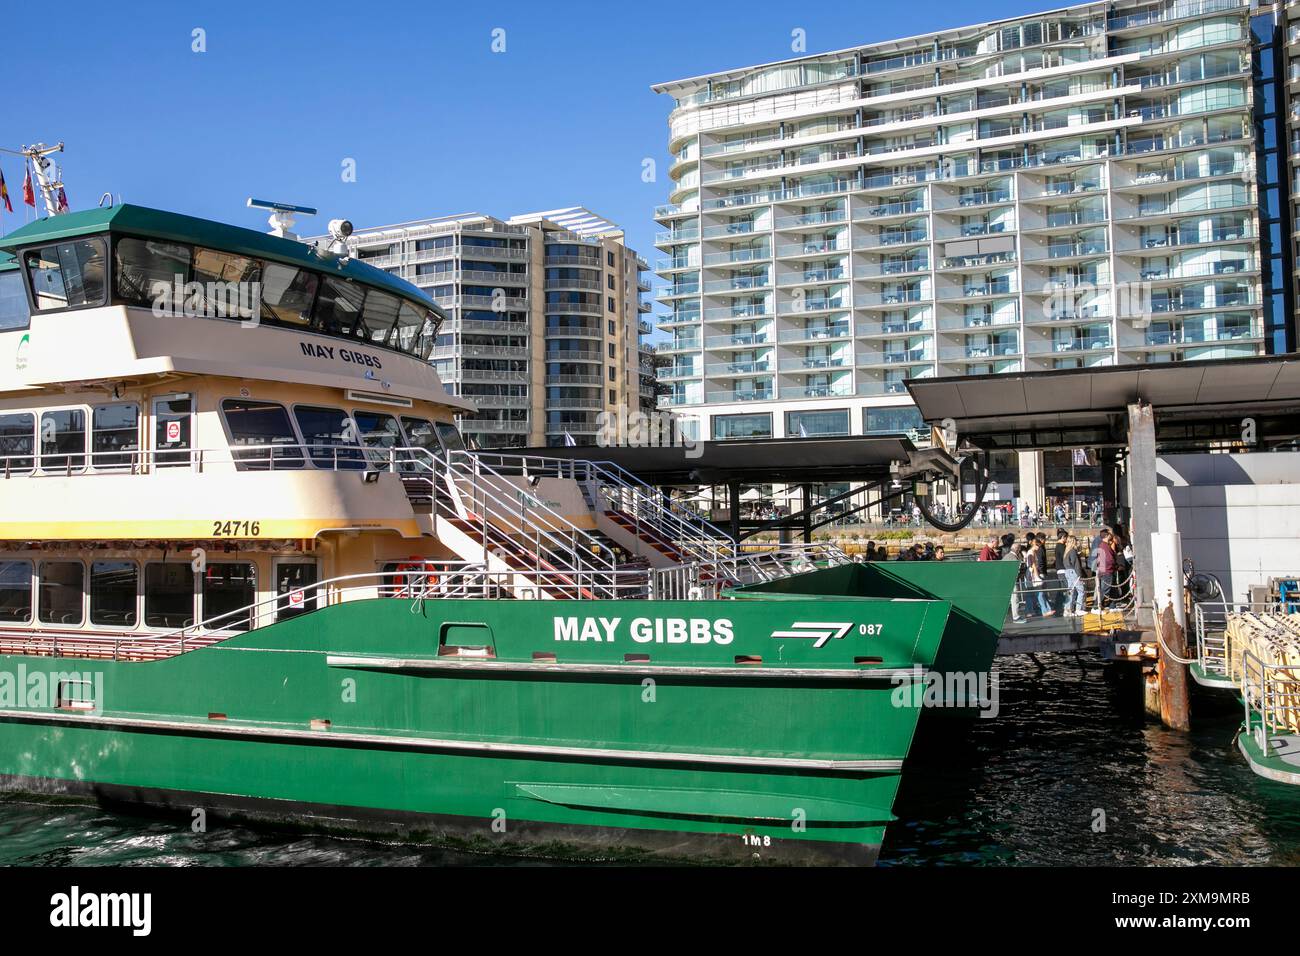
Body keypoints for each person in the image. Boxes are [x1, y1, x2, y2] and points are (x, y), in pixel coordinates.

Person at [1023, 538, 1055, 617]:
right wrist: (1037, 577)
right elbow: (1033, 565)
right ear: (1035, 545)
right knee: (1039, 593)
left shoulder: (1031, 552)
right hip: (1032, 574)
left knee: (1031, 594)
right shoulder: (1032, 553)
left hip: (1029, 575)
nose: (1039, 547)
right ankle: (1045, 610)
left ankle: (1029, 611)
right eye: (1038, 546)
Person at [1062, 533, 1087, 616]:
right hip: (1073, 572)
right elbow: (1076, 564)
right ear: (1074, 542)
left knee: (1071, 592)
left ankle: (1067, 609)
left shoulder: (1066, 551)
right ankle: (1078, 609)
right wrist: (1080, 575)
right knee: (1081, 590)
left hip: (1067, 571)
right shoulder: (1073, 551)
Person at [1002, 533, 1025, 623]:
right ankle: (1016, 617)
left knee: (1007, 599)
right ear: (1017, 550)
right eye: (1019, 549)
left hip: (1004, 580)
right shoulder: (1014, 559)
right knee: (1015, 598)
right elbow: (1017, 572)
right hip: (1011, 581)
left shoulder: (1006, 556)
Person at [1093, 530, 1116, 612]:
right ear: (1106, 536)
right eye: (1109, 534)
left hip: (1103, 570)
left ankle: (1112, 605)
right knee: (1105, 589)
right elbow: (1109, 559)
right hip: (1107, 570)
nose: (1111, 535)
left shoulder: (1102, 545)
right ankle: (1096, 606)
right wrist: (1114, 564)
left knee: (1110, 588)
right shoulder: (1105, 546)